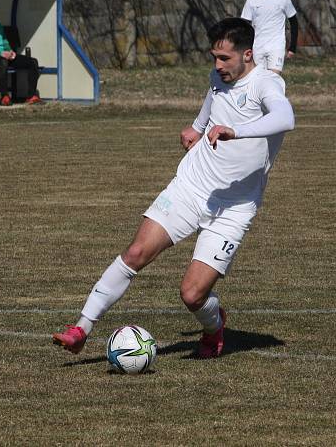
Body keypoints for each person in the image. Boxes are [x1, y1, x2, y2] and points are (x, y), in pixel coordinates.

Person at [52, 18, 295, 358]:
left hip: (234, 208)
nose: (217, 65)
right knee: (136, 252)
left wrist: (235, 131)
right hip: (192, 187)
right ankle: (81, 328)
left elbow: (286, 119)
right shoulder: (217, 78)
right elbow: (211, 106)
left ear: (248, 54)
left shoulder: (266, 84)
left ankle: (214, 328)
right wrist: (197, 128)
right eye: (214, 57)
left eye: (225, 58)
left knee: (192, 295)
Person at [240, 0, 298, 74]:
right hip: (257, 46)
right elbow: (244, 26)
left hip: (276, 46)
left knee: (274, 78)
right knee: (258, 79)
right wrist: (244, 46)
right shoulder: (251, 0)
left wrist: (292, 47)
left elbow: (294, 22)